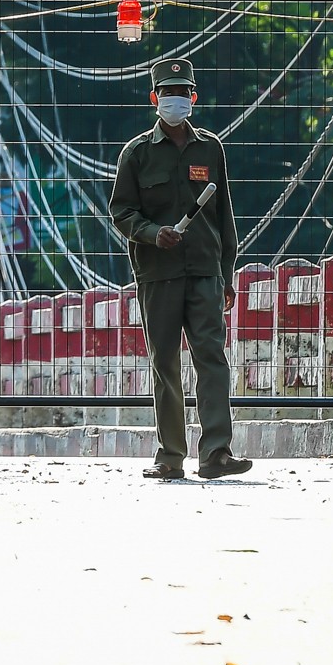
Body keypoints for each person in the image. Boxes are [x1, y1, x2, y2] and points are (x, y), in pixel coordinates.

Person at [109, 58, 253, 481]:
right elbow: (121, 211)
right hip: (158, 273)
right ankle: (170, 456)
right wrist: (154, 234)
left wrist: (228, 273)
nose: (175, 99)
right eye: (167, 93)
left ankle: (216, 454)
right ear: (155, 99)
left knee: (212, 358)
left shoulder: (211, 148)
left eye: (182, 92)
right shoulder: (135, 153)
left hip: (206, 270)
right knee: (165, 362)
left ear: (193, 97)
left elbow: (225, 216)